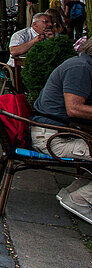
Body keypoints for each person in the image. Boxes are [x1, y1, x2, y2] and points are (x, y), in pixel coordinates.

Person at [31, 39, 92, 224]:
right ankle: (79, 200)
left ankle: (73, 192)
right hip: (52, 138)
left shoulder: (82, 65)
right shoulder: (81, 68)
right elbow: (74, 109)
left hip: (55, 133)